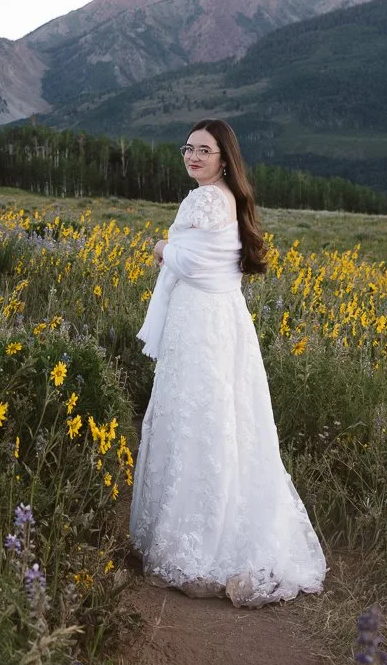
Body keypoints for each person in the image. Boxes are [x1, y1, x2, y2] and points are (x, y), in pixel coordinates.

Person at [129, 118, 327, 607]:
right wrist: (174, 251)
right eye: (188, 148)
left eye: (204, 150)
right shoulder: (231, 201)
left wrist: (160, 247)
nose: (193, 156)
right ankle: (225, 529)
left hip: (199, 322)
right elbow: (206, 258)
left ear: (224, 158)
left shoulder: (204, 199)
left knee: (196, 420)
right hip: (225, 320)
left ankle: (195, 547)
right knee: (227, 421)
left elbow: (188, 261)